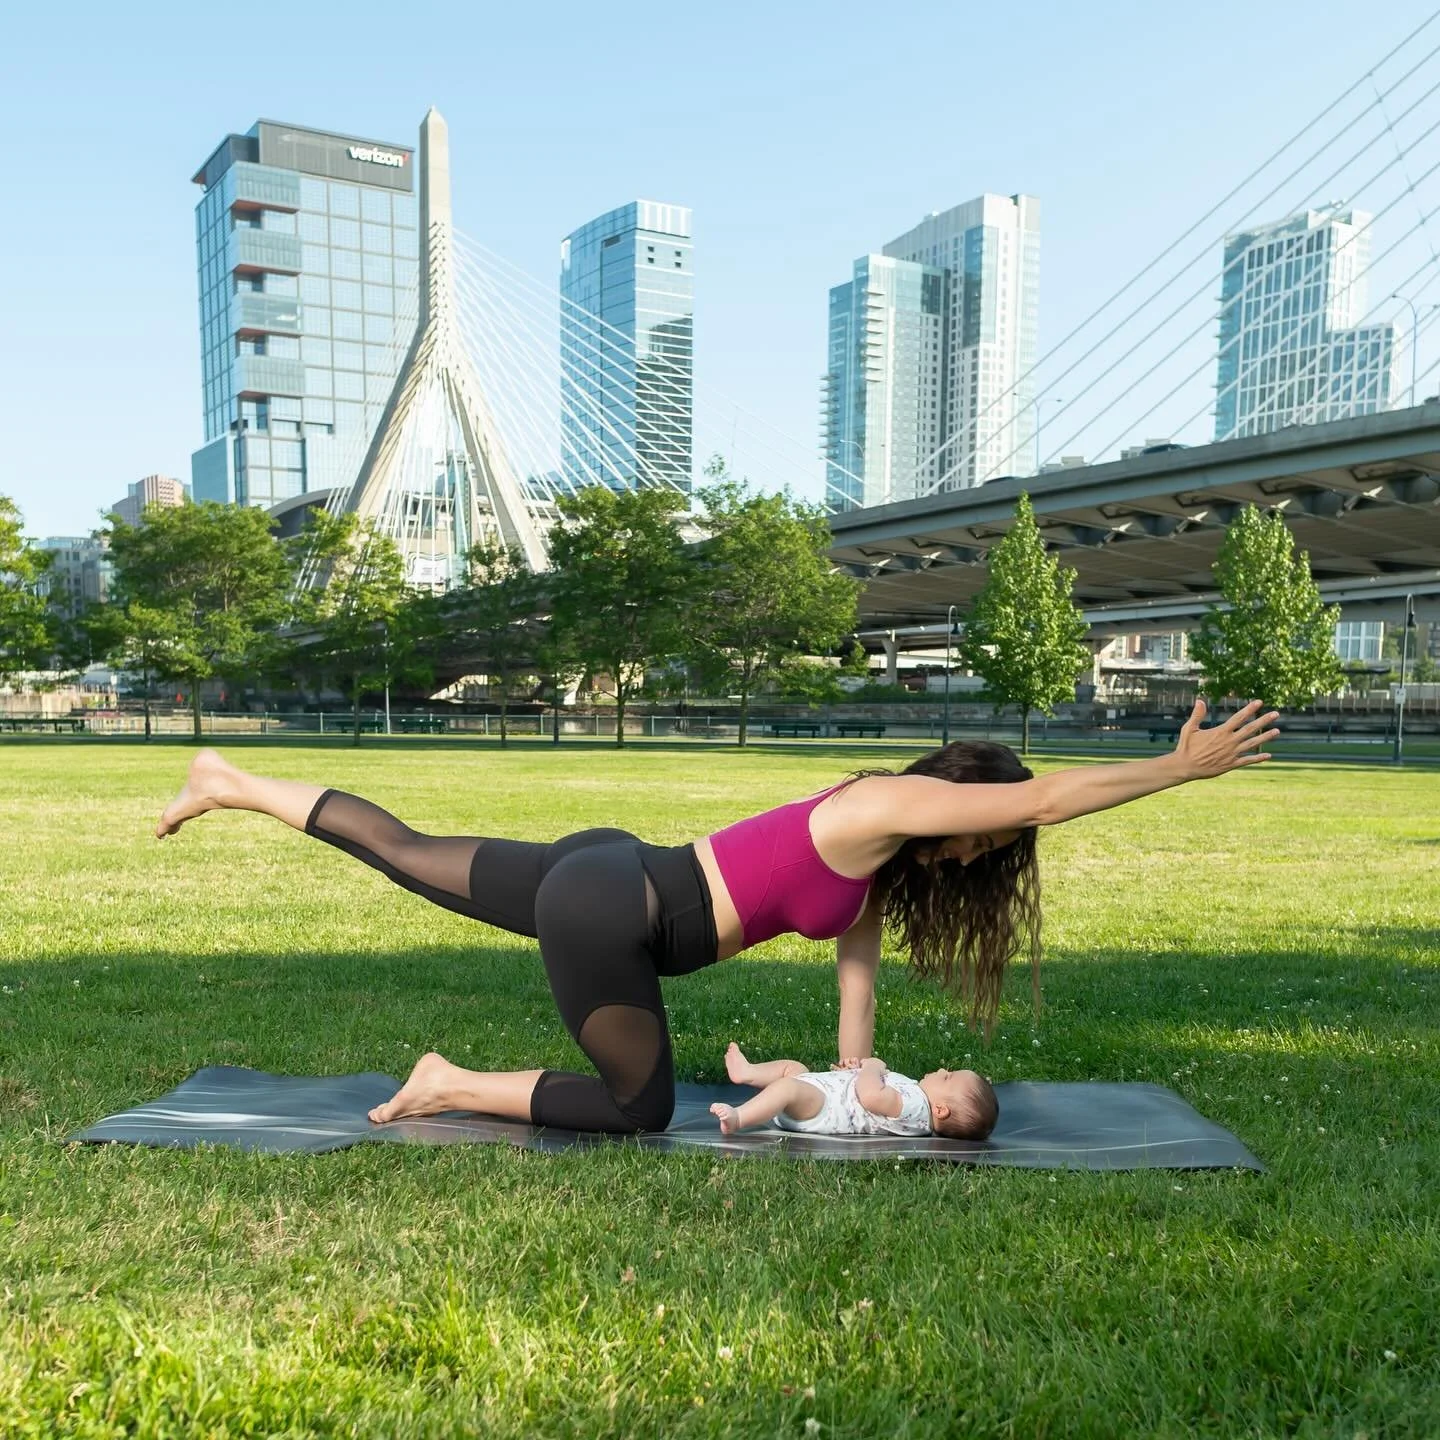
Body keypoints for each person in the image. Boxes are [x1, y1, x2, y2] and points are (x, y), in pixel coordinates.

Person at [154, 697, 1279, 1135]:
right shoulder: (891, 802)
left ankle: (231, 782)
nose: (990, 849)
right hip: (618, 916)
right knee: (640, 1109)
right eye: (986, 834)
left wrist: (860, 1095)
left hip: (610, 870)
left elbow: (856, 993)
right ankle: (449, 1081)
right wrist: (1174, 772)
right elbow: (1040, 796)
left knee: (403, 850)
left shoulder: (873, 865)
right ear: (959, 795)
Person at [709, 1043, 996, 1140]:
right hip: (827, 1095)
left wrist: (872, 1066)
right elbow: (867, 1089)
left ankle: (739, 1117)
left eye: (948, 1078)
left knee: (787, 1087)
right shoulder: (915, 1096)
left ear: (941, 1110)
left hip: (824, 1110)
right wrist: (852, 1072)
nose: (943, 1070)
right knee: (793, 1069)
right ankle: (748, 1073)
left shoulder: (917, 1109)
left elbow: (871, 1096)